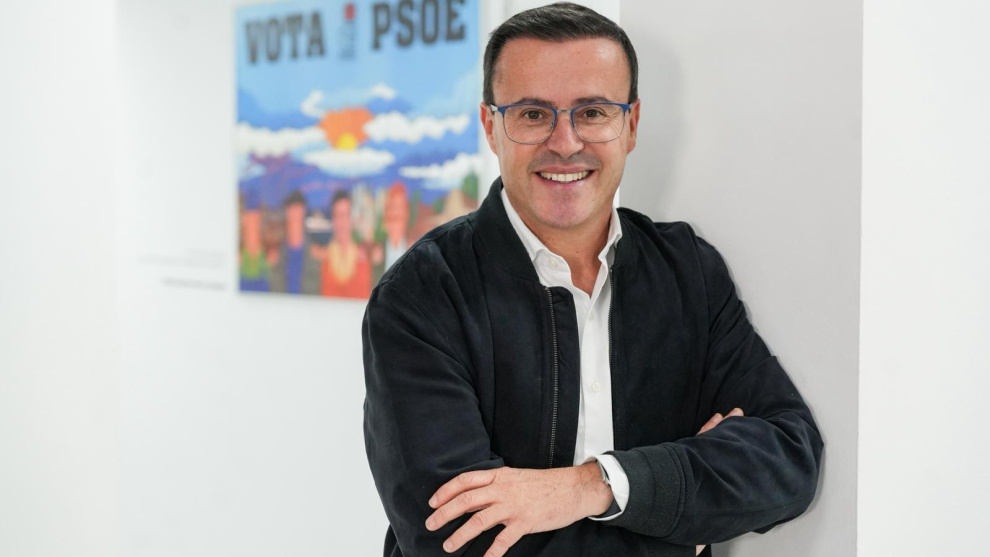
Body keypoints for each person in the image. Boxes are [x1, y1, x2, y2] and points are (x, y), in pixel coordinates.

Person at [362, 4, 823, 557]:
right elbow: (457, 540)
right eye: (533, 114)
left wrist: (592, 486)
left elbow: (788, 456)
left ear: (631, 125)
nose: (565, 142)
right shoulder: (422, 295)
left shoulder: (689, 272)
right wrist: (683, 524)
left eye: (593, 112)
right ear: (491, 127)